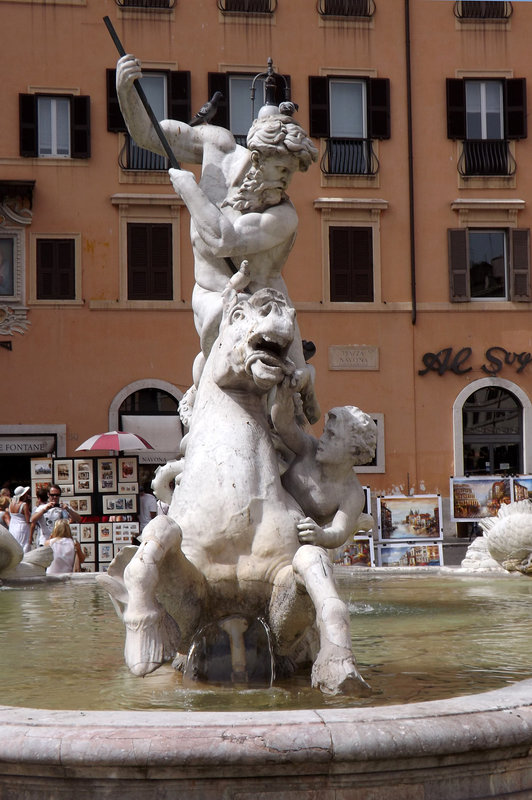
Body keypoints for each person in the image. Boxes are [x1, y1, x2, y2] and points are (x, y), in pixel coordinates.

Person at [115, 55, 320, 423]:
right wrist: (124, 89)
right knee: (220, 363)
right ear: (258, 158)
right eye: (282, 169)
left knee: (291, 416)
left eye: (292, 173)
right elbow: (147, 135)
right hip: (212, 298)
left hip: (265, 306)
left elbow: (223, 241)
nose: (287, 181)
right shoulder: (217, 147)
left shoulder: (283, 216)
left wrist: (190, 191)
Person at [271, 380, 377, 550]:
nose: (323, 440)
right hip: (269, 509)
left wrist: (320, 535)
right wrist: (283, 398)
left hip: (293, 539)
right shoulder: (309, 449)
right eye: (324, 432)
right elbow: (284, 426)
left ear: (354, 449)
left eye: (332, 435)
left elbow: (339, 532)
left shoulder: (352, 493)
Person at [8, 486, 31, 553]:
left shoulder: (11, 504)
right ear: (23, 495)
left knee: (15, 547)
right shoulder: (24, 505)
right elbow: (27, 520)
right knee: (24, 547)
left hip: (12, 527)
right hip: (22, 528)